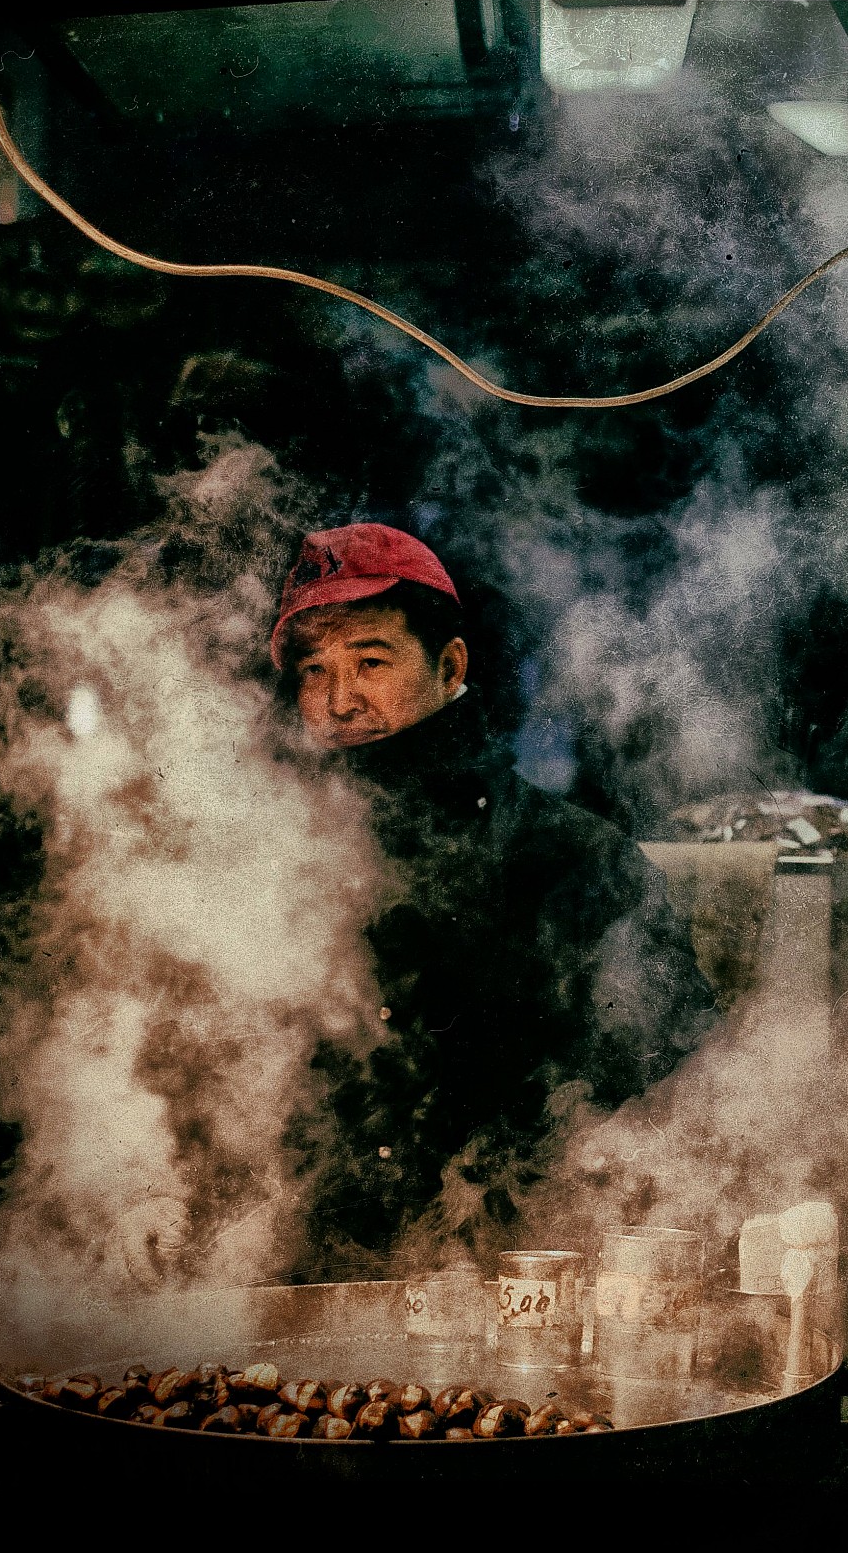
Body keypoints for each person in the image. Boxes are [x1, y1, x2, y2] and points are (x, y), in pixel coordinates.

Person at [271, 523, 718, 1260]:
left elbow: (681, 1084)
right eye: (313, 671)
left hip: (521, 1277)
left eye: (370, 660)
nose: (339, 700)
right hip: (311, 1279)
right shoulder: (272, 862)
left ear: (451, 668)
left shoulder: (572, 859)